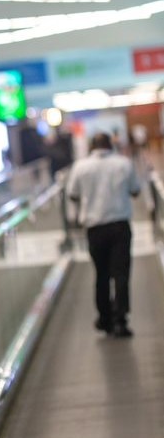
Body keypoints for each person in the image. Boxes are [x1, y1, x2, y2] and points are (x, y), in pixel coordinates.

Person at [67, 132, 140, 338]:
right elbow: (135, 191)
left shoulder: (81, 167)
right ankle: (120, 320)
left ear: (92, 146)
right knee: (121, 274)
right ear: (111, 145)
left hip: (94, 228)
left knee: (101, 274)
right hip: (119, 226)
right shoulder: (123, 164)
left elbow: (73, 194)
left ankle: (104, 318)